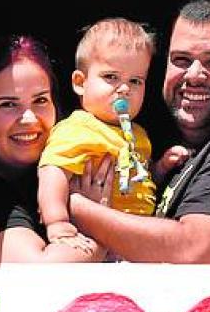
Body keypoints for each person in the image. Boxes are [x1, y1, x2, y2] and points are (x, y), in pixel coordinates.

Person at [67, 0, 210, 264]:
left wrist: (75, 206)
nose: (194, 75)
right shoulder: (149, 141)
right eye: (181, 60)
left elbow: (195, 250)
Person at [37, 18, 183, 247]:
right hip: (92, 239)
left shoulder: (138, 135)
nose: (124, 89)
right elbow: (51, 174)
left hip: (138, 240)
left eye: (135, 81)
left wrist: (161, 167)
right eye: (111, 77)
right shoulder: (77, 129)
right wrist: (57, 221)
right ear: (79, 82)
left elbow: (141, 181)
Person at [0, 36, 104, 266]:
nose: (29, 117)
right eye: (8, 104)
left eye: (41, 100)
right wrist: (98, 221)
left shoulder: (69, 172)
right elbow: (36, 271)